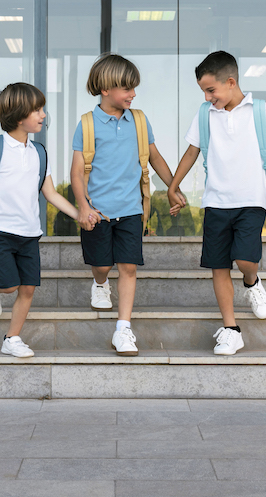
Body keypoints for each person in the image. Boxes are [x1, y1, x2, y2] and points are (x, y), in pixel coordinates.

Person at [167, 51, 266, 355]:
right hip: (217, 202)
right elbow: (191, 152)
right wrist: (173, 185)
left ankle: (252, 282)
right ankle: (231, 329)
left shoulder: (261, 112)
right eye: (204, 92)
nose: (209, 97)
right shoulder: (205, 115)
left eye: (212, 90)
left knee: (246, 258)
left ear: (231, 82)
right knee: (219, 265)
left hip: (252, 200)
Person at [70, 53, 185, 356]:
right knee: (102, 265)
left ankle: (123, 329)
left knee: (129, 267)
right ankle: (100, 282)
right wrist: (82, 206)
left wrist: (173, 187)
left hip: (132, 209)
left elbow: (155, 157)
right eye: (126, 88)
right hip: (98, 211)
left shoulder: (139, 120)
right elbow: (76, 172)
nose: (132, 94)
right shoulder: (87, 124)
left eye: (134, 88)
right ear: (105, 89)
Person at [0, 82, 92, 358]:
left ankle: (12, 338)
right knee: (8, 284)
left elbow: (49, 193)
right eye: (37, 110)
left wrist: (79, 214)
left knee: (27, 288)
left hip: (29, 233)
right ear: (18, 115)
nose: (43, 115)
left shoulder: (40, 152)